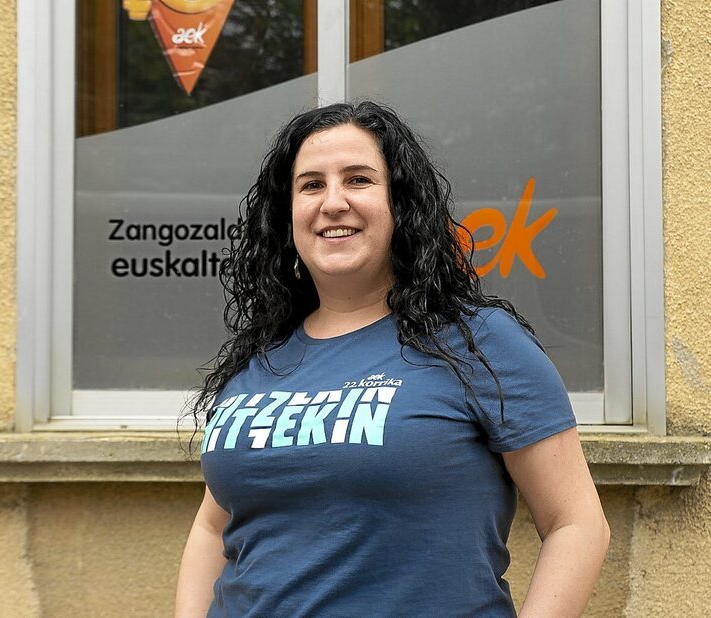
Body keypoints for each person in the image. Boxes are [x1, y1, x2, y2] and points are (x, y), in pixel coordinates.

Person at [175, 101, 610, 617]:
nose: (332, 202)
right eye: (311, 185)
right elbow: (213, 526)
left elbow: (575, 522)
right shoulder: (262, 357)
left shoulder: (478, 341)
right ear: (287, 214)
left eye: (358, 180)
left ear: (399, 203)